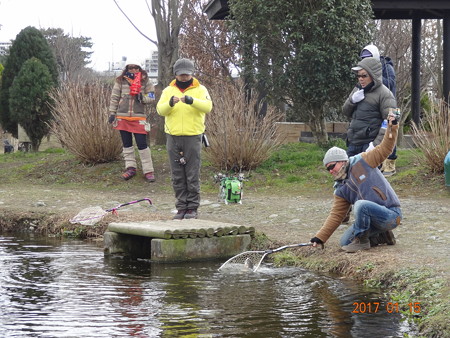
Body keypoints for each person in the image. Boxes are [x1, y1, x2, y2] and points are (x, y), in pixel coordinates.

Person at [310, 112, 402, 252]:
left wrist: (392, 126)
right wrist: (320, 238)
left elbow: (386, 148)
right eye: (327, 169)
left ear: (342, 161)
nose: (330, 171)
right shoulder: (340, 189)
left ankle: (363, 242)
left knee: (361, 205)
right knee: (344, 242)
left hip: (391, 215)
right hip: (372, 221)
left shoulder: (364, 160)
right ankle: (382, 236)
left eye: (331, 166)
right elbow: (336, 215)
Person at [156, 58, 212, 220]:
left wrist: (191, 101)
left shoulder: (200, 89)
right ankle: (181, 207)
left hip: (193, 136)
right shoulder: (168, 90)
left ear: (192, 74)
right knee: (177, 174)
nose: (184, 77)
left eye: (187, 74)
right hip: (173, 136)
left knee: (192, 173)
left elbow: (208, 107)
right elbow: (161, 110)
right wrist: (170, 104)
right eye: (181, 75)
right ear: (176, 74)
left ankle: (192, 208)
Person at [108, 61, 156, 182]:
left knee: (142, 144)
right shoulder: (120, 81)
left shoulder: (145, 81)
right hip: (122, 116)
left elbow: (151, 97)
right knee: (127, 144)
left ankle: (148, 170)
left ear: (140, 69)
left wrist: (142, 98)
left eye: (136, 68)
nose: (133, 70)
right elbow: (115, 97)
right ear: (127, 69)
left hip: (138, 117)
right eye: (131, 68)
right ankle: (130, 168)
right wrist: (112, 113)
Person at [343, 56, 397, 157]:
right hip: (353, 143)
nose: (360, 79)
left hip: (369, 146)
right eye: (358, 76)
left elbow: (392, 123)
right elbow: (345, 112)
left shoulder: (386, 94)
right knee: (346, 172)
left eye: (364, 76)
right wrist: (352, 100)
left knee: (367, 173)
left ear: (374, 75)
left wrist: (375, 145)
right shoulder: (357, 89)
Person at [360, 44, 398, 176]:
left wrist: (374, 77)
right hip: (376, 106)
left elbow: (391, 83)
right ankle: (379, 160)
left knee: (391, 131)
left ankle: (391, 161)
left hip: (390, 104)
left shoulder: (386, 67)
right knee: (378, 134)